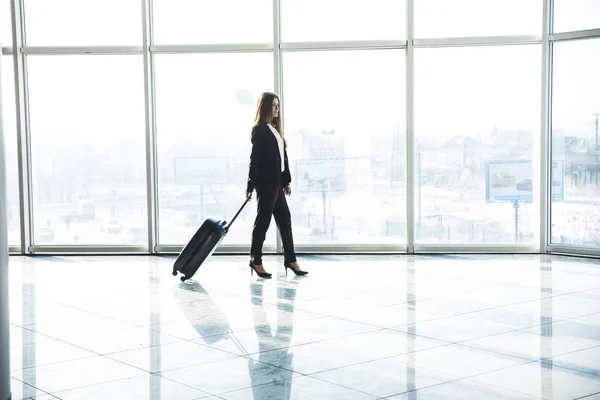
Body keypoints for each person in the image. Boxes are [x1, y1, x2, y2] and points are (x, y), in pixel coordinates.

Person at [245, 92, 308, 279]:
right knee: (262, 222)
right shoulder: (259, 129)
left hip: (277, 184)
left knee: (285, 220)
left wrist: (286, 181)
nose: (276, 109)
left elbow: (282, 159)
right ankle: (256, 260)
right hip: (266, 184)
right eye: (273, 105)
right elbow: (254, 159)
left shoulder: (274, 129)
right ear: (264, 106)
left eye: (278, 105)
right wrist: (250, 185)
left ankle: (290, 259)